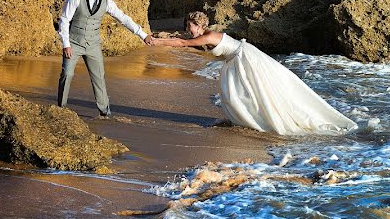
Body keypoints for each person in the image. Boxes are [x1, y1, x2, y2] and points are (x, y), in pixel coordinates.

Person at [150, 12, 356, 135]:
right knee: (232, 93)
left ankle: (261, 120)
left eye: (191, 26)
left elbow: (183, 43)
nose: (190, 30)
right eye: (188, 27)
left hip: (245, 59)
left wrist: (157, 41)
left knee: (260, 91)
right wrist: (161, 39)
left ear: (201, 25)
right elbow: (184, 42)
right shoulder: (205, 37)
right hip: (237, 61)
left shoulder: (209, 36)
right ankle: (247, 119)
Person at [57, 0, 153, 117]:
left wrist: (142, 34)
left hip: (93, 45)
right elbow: (64, 20)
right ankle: (60, 109)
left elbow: (123, 18)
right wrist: (66, 44)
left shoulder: (107, 2)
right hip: (73, 43)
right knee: (67, 74)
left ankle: (105, 113)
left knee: (99, 77)